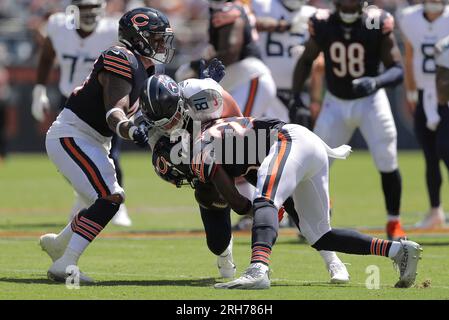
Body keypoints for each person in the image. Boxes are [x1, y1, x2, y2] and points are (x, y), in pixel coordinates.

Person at [139, 76, 422, 290]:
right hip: (302, 146)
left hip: (288, 141)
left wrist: (258, 210)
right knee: (320, 234)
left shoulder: (200, 144)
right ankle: (399, 251)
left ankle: (258, 269)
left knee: (265, 200)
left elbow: (238, 204)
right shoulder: (207, 136)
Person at [39, 7, 175, 283]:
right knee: (110, 197)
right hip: (72, 135)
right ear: (138, 38)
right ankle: (65, 263)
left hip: (91, 139)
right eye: (156, 37)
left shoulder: (145, 65)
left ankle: (59, 245)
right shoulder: (120, 57)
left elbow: (141, 112)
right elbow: (115, 111)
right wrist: (129, 129)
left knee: (98, 200)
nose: (162, 43)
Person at [292, 0, 406, 240]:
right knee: (314, 161)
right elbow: (305, 60)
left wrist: (376, 81)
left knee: (387, 159)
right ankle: (315, 217)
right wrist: (295, 98)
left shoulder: (376, 21)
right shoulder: (322, 22)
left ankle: (394, 222)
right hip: (335, 101)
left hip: (371, 101)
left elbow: (397, 68)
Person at [31, 0, 132, 226]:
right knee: (69, 154)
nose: (88, 13)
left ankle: (116, 204)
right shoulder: (58, 26)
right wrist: (39, 91)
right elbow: (47, 56)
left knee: (109, 154)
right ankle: (88, 196)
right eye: (83, 8)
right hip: (70, 99)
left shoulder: (111, 30)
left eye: (92, 8)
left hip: (102, 99)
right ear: (73, 9)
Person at [398, 0, 449, 228]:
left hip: (446, 93)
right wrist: (410, 92)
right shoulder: (410, 18)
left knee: (445, 148)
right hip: (423, 93)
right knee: (430, 156)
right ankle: (435, 210)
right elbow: (409, 57)